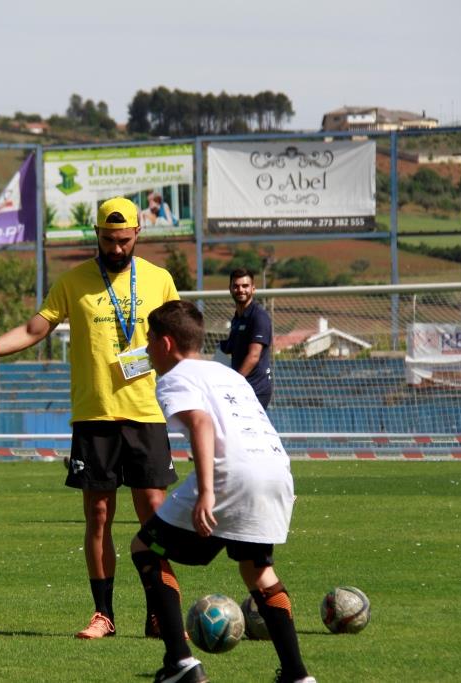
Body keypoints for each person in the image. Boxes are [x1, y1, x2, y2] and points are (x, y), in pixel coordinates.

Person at [0, 196, 180, 639]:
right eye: (109, 239)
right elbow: (34, 329)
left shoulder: (160, 280)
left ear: (138, 234)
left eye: (125, 240)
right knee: (98, 515)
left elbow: (176, 340)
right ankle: (103, 615)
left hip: (145, 413)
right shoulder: (72, 281)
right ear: (97, 234)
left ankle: (161, 613)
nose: (117, 248)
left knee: (155, 516)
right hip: (93, 415)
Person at [132, 300, 314, 683]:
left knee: (145, 547)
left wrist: (207, 493)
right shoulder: (228, 374)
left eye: (149, 340)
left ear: (166, 343)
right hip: (275, 470)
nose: (146, 348)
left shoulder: (175, 377)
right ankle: (297, 675)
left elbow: (201, 424)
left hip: (231, 474)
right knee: (258, 572)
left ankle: (180, 663)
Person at [219, 268, 273, 409]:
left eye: (245, 286)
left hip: (256, 389)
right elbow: (230, 348)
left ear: (253, 289)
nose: (240, 290)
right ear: (230, 289)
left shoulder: (259, 317)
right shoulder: (237, 318)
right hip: (242, 387)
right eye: (236, 286)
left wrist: (234, 382)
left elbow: (254, 356)